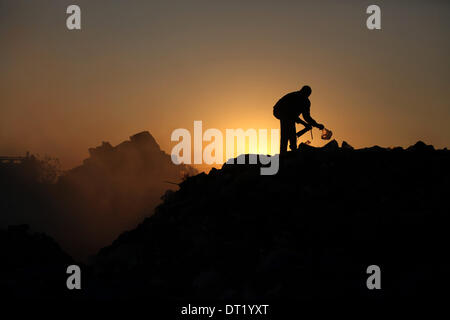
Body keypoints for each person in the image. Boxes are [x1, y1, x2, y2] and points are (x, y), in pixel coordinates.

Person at [273, 85, 324, 153]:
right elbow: (291, 115)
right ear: (301, 91)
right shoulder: (294, 97)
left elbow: (306, 117)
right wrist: (306, 124)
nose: (305, 96)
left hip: (289, 115)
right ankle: (284, 152)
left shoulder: (306, 102)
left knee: (290, 129)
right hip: (280, 110)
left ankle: (292, 148)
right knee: (287, 131)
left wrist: (316, 125)